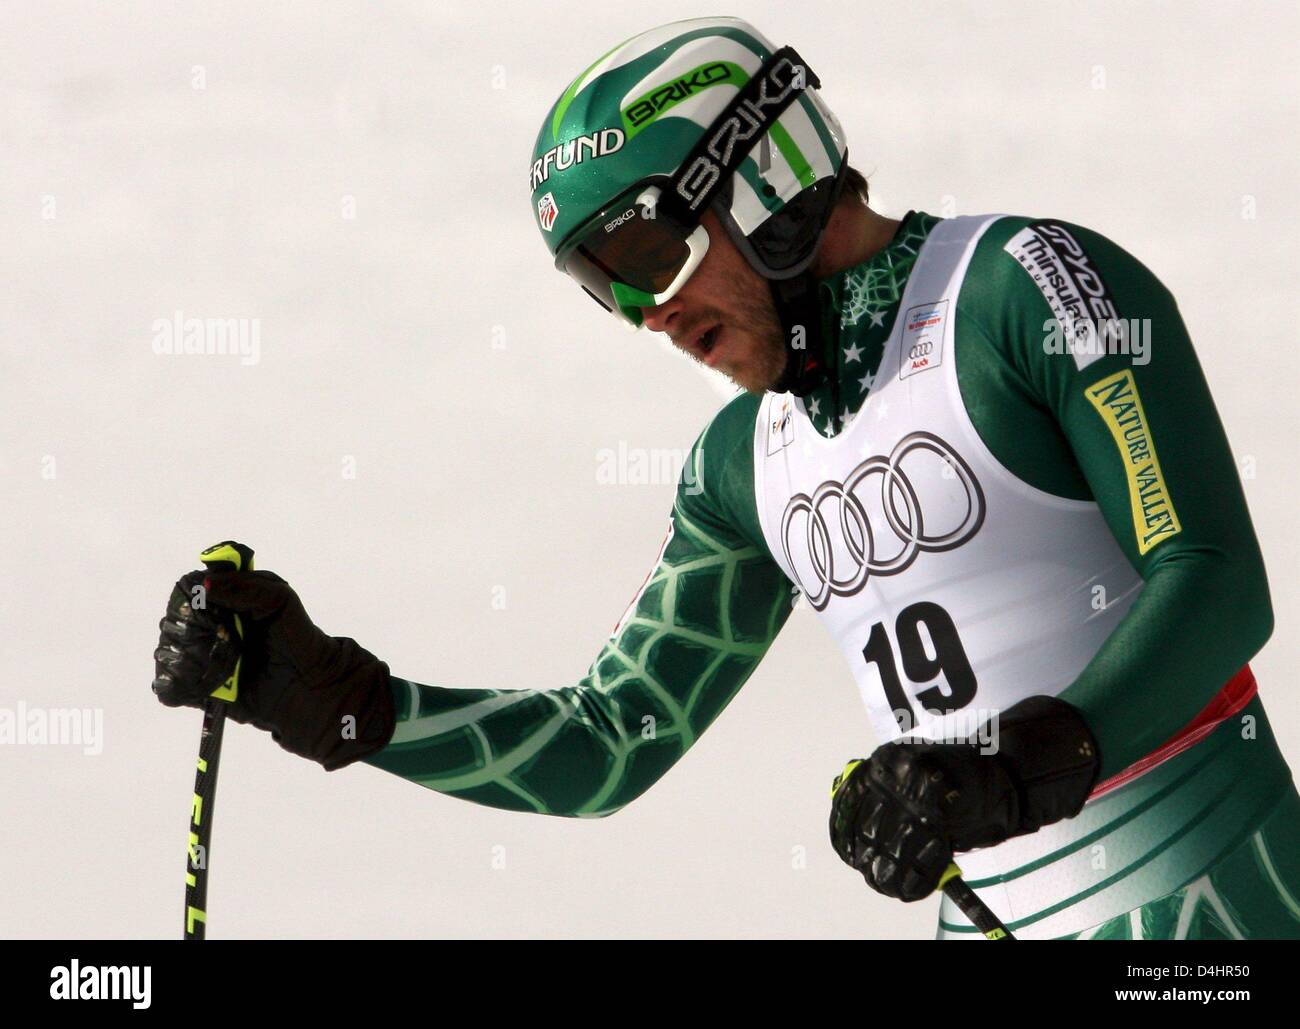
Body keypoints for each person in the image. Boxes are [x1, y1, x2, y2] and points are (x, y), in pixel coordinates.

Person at [153, 16, 1300, 939]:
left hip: (1220, 898)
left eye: (646, 254)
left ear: (760, 174)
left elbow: (1212, 582)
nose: (645, 314)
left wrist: (1012, 769)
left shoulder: (1023, 288)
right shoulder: (741, 466)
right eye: (603, 287)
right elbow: (615, 737)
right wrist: (350, 705)